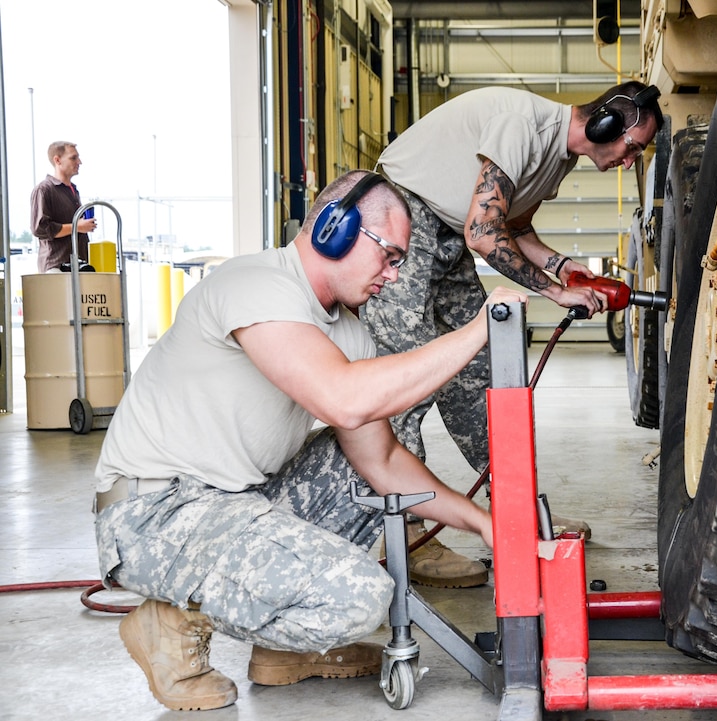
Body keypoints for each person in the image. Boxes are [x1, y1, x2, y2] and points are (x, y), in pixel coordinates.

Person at [93, 170, 527, 711]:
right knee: (360, 598)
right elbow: (342, 399)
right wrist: (475, 331)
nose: (394, 277)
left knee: (379, 458)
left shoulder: (350, 333)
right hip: (155, 512)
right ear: (334, 229)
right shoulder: (253, 285)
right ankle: (171, 621)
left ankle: (286, 653)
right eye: (389, 256)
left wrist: (481, 522)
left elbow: (383, 460)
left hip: (235, 503)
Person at [367, 81, 664, 586]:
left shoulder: (558, 159)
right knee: (405, 390)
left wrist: (565, 267)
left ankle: (516, 514)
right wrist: (552, 291)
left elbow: (515, 228)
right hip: (401, 227)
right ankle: (408, 539)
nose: (631, 161)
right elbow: (483, 232)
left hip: (445, 240)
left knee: (483, 382)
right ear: (605, 124)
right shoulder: (524, 126)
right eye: (632, 147)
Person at [30, 141, 97, 272]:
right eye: (73, 158)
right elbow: (40, 228)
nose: (79, 162)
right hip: (56, 268)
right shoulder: (44, 190)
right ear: (57, 160)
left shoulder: (73, 191)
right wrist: (77, 227)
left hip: (78, 268)